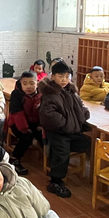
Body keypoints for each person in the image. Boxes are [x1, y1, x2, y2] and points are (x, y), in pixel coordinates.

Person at [38, 60, 90, 198]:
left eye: (67, 76)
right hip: (57, 131)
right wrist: (67, 123)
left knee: (87, 143)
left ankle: (52, 152)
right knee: (62, 152)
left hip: (71, 129)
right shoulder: (50, 93)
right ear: (52, 76)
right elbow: (48, 115)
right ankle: (55, 181)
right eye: (60, 76)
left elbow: (80, 105)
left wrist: (83, 114)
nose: (64, 80)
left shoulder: (71, 90)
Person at [7, 71, 42, 175]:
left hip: (35, 122)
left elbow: (45, 111)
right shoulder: (17, 94)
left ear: (37, 83)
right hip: (17, 123)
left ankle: (50, 160)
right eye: (25, 83)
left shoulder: (41, 94)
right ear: (21, 84)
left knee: (44, 135)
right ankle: (14, 158)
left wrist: (42, 125)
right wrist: (25, 129)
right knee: (26, 137)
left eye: (32, 83)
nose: (28, 86)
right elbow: (17, 114)